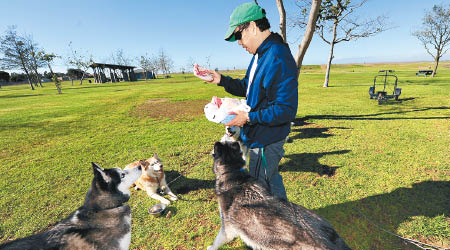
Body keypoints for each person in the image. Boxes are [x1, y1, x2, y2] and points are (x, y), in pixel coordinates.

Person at [206, 2, 298, 200]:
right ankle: (285, 218)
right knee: (271, 180)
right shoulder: (260, 55)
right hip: (259, 134)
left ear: (253, 27)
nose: (239, 42)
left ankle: (274, 226)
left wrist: (248, 117)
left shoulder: (277, 55)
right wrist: (221, 80)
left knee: (260, 187)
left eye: (238, 35)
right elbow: (247, 87)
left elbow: (286, 109)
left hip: (266, 139)